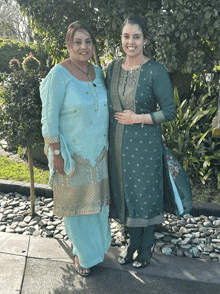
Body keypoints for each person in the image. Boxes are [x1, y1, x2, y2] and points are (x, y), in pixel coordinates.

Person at [40, 21, 111, 277]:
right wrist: (56, 153)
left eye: (88, 41)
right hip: (72, 156)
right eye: (77, 42)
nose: (83, 47)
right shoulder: (58, 75)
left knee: (98, 206)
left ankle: (97, 250)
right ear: (68, 45)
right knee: (78, 207)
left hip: (99, 154)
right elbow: (49, 117)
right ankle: (81, 255)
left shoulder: (98, 72)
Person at [106, 15, 176, 269]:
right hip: (117, 147)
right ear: (121, 39)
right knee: (125, 195)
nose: (131, 41)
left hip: (145, 146)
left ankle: (146, 247)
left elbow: (169, 111)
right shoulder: (112, 68)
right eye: (126, 36)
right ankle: (131, 243)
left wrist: (139, 118)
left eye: (136, 36)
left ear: (145, 40)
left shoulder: (155, 70)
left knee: (144, 196)